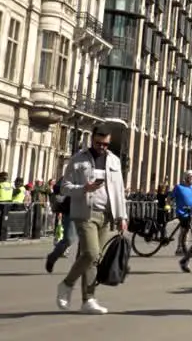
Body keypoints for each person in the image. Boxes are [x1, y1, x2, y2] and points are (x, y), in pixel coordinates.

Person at [55, 126, 128, 314]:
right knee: (91, 253)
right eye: (98, 143)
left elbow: (119, 190)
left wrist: (122, 216)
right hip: (85, 213)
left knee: (96, 259)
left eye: (105, 144)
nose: (102, 147)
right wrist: (84, 188)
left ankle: (88, 299)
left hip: (107, 215)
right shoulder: (78, 159)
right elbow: (64, 187)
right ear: (92, 140)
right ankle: (67, 284)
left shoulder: (114, 160)